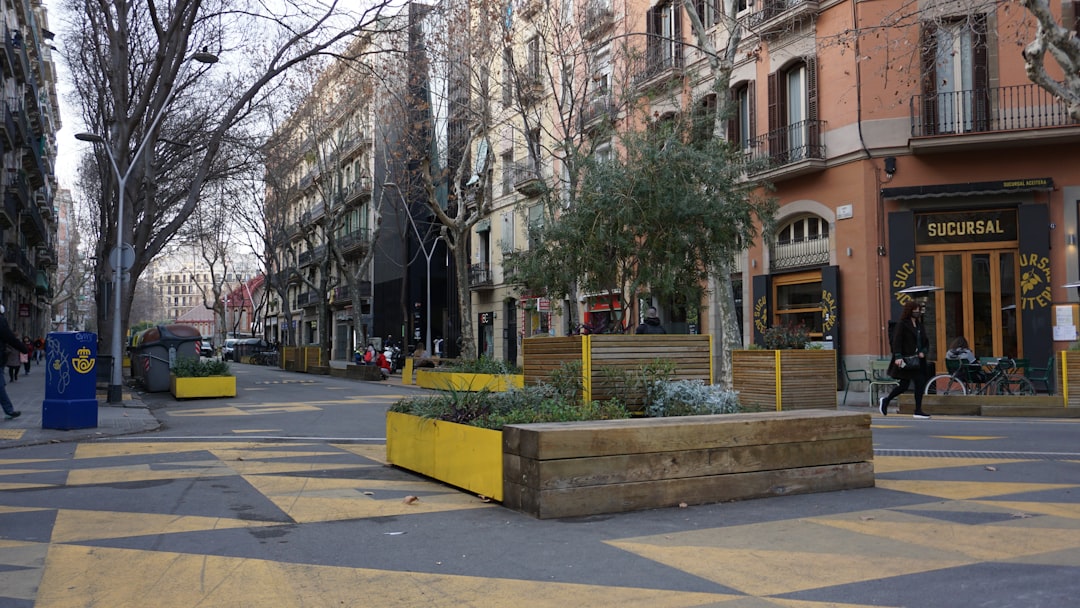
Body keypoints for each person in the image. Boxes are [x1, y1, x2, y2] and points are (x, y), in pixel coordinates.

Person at [881, 300, 931, 419]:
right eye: (915, 310)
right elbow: (897, 341)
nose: (917, 312)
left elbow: (925, 341)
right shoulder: (902, 324)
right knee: (904, 385)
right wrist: (898, 356)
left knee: (919, 383)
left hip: (918, 361)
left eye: (919, 310)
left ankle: (918, 410)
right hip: (906, 360)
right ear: (910, 311)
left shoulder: (919, 325)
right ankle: (886, 400)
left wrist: (923, 351)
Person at [0, 305, 29, 419]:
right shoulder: (1, 321)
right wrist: (23, 348)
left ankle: (9, 410)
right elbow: (9, 337)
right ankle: (9, 410)